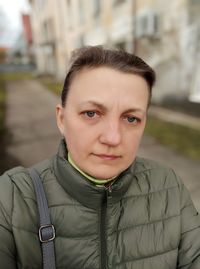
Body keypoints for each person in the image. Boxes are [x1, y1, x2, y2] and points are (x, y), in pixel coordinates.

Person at [0, 46, 200, 269]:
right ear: (61, 119)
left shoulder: (168, 186)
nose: (113, 138)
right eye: (91, 114)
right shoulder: (13, 197)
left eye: (131, 118)